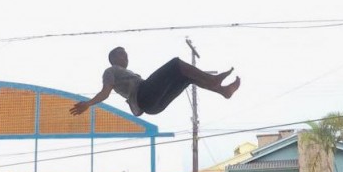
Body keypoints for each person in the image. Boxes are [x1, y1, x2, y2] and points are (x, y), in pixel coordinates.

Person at [69, 47, 241, 117]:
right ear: (114, 58)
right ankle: (213, 80)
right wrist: (89, 104)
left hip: (153, 107)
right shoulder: (111, 71)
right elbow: (105, 92)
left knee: (185, 77)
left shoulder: (127, 72)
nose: (126, 56)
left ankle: (223, 91)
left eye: (127, 54)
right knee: (176, 64)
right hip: (143, 96)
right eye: (123, 54)